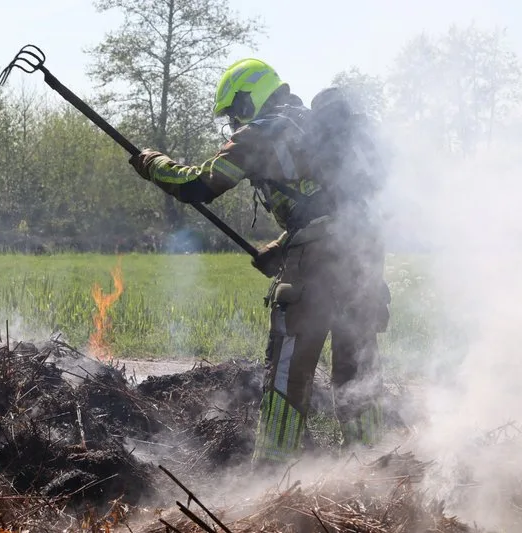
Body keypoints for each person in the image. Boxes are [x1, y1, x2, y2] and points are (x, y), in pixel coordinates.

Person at [128, 58, 391, 466]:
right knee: (356, 367)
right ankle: (376, 467)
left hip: (316, 262)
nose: (234, 121)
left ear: (252, 98)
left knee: (289, 369)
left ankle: (274, 471)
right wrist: (284, 244)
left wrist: (152, 164)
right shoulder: (314, 127)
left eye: (235, 110)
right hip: (363, 254)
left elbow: (198, 185)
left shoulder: (260, 133)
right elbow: (328, 206)